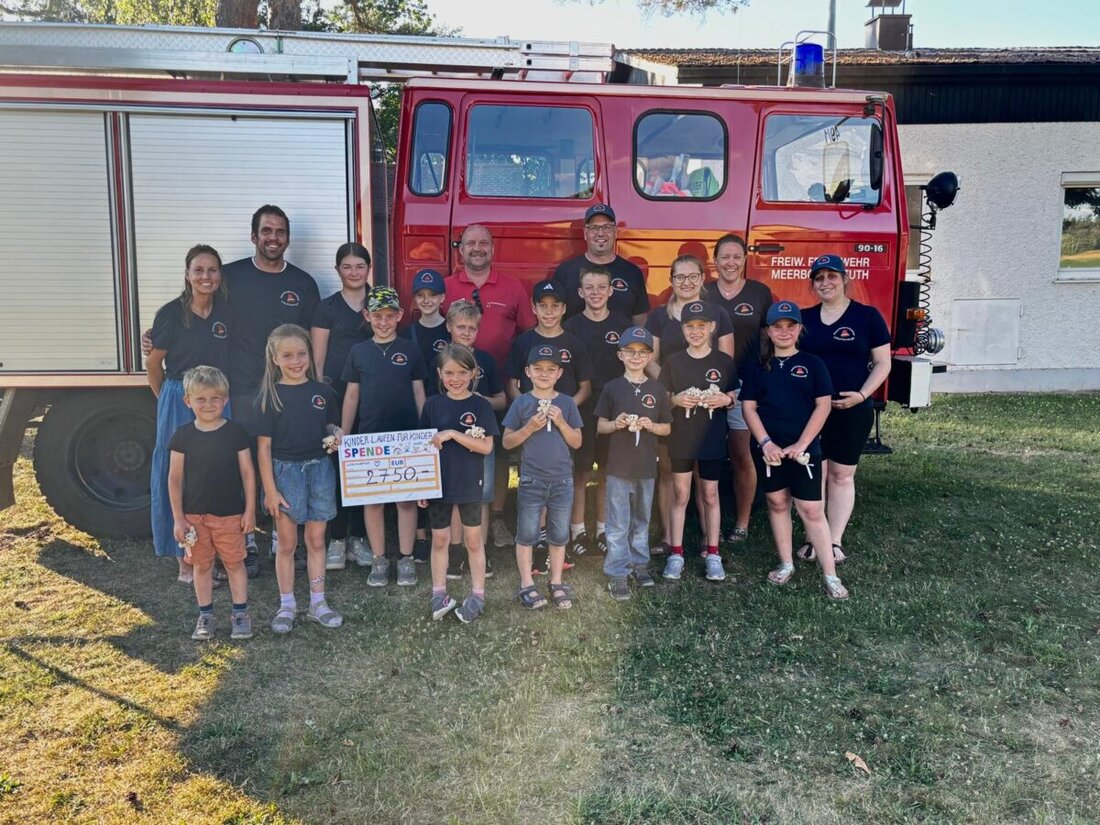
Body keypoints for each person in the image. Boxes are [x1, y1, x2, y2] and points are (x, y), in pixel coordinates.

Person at [143, 206, 321, 576]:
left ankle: (280, 538)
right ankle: (245, 540)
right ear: (254, 236)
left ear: (288, 238)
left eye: (280, 232)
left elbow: (309, 340)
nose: (273, 238)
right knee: (235, 464)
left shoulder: (303, 283)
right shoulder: (232, 277)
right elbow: (188, 315)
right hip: (235, 390)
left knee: (280, 460)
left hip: (283, 390)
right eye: (266, 231)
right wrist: (156, 341)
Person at [740, 301, 848, 600]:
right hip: (769, 450)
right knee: (777, 502)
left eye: (790, 326)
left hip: (804, 449)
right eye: (777, 326)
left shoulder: (813, 364)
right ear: (768, 331)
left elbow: (823, 405)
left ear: (800, 329)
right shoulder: (758, 367)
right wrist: (766, 442)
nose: (784, 332)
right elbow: (748, 408)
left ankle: (830, 574)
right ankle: (786, 563)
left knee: (811, 509)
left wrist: (802, 444)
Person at [442, 224, 536, 548]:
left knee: (494, 455)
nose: (477, 248)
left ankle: (494, 518)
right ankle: (455, 533)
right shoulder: (447, 287)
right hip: (453, 387)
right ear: (461, 248)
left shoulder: (512, 287)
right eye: (470, 243)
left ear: (493, 249)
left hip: (496, 382)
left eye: (484, 243)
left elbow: (528, 334)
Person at [798, 254, 892, 564]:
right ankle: (815, 537)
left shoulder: (867, 316)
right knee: (815, 472)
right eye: (819, 278)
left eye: (832, 276)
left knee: (841, 475)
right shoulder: (804, 319)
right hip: (812, 411)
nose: (825, 283)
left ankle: (834, 540)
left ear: (844, 279)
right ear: (813, 284)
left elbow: (883, 363)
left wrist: (862, 395)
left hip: (852, 408)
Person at [147, 245, 232, 583]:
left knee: (214, 472)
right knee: (175, 473)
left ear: (220, 275)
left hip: (217, 399)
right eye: (198, 270)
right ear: (187, 274)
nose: (205, 277)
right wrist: (168, 400)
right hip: (180, 399)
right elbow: (154, 364)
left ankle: (211, 551)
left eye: (212, 270)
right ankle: (183, 559)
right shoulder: (170, 314)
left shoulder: (226, 312)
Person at [255, 324, 345, 633]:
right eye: (288, 355)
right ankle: (287, 605)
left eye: (301, 354)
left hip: (320, 469)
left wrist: (336, 433)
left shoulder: (323, 392)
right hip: (285, 473)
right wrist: (270, 490)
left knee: (316, 540)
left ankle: (318, 603)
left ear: (310, 354)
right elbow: (263, 448)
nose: (296, 361)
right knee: (287, 543)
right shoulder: (270, 396)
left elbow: (329, 425)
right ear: (275, 359)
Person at [645, 255, 734, 556]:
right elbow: (650, 359)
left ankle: (709, 538)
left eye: (692, 276)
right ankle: (669, 537)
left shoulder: (718, 313)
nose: (686, 282)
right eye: (679, 277)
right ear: (671, 280)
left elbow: (725, 362)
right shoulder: (659, 316)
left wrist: (712, 394)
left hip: (706, 408)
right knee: (669, 472)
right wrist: (673, 387)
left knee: (703, 477)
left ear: (702, 278)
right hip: (672, 401)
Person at [341, 286, 427, 587]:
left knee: (406, 500)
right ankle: (379, 559)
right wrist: (344, 433)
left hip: (406, 438)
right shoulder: (358, 352)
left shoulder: (410, 349)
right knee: (374, 501)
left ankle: (405, 558)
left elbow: (419, 392)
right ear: (367, 316)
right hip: (370, 437)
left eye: (390, 316)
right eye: (377, 316)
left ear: (400, 315)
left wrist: (425, 431)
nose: (384, 322)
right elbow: (352, 395)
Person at [507, 279, 591, 569]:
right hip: (532, 426)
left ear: (564, 308)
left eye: (555, 306)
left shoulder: (574, 343)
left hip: (561, 425)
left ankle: (556, 543)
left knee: (559, 483)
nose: (549, 311)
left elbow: (585, 387)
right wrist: (527, 410)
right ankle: (538, 542)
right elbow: (511, 384)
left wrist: (564, 411)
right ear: (533, 308)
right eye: (543, 306)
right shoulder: (523, 342)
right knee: (534, 484)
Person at [167, 365, 255, 641]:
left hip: (230, 515)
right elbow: (174, 479)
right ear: (188, 401)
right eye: (201, 399)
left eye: (215, 398)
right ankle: (205, 615)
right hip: (194, 518)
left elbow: (248, 473)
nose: (208, 405)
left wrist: (250, 510)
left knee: (234, 564)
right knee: (202, 566)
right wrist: (178, 518)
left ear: (225, 400)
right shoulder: (182, 436)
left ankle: (240, 615)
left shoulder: (236, 432)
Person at [419, 344, 498, 623]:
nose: (456, 379)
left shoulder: (481, 406)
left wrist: (453, 433)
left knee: (473, 540)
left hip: (469, 483)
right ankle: (438, 594)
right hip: (439, 484)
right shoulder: (432, 405)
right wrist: (422, 486)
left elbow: (486, 446)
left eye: (463, 373)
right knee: (439, 539)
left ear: (473, 374)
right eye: (449, 373)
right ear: (440, 374)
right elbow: (423, 448)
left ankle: (478, 595)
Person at [659, 301, 737, 582]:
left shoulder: (723, 362)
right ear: (682, 329)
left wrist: (725, 399)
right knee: (681, 494)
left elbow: (733, 396)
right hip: (682, 437)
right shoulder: (673, 361)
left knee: (710, 494)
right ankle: (676, 553)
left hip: (711, 438)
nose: (695, 331)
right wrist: (676, 400)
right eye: (690, 326)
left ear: (712, 327)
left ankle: (713, 553)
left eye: (701, 326)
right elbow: (663, 398)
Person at [704, 234, 774, 544]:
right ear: (715, 261)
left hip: (743, 385)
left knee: (741, 454)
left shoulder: (759, 292)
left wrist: (764, 377)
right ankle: (710, 525)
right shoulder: (704, 293)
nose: (730, 263)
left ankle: (742, 523)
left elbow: (769, 337)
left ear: (745, 259)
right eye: (724, 257)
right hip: (706, 385)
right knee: (704, 456)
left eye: (736, 257)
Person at [502, 348, 583, 610]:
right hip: (531, 479)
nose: (544, 374)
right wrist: (529, 427)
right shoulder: (521, 403)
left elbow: (577, 442)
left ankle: (556, 581)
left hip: (562, 480)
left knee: (558, 534)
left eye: (550, 369)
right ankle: (527, 583)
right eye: (538, 369)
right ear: (528, 372)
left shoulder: (567, 403)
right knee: (527, 533)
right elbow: (507, 441)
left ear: (559, 373)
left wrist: (561, 422)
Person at [595, 327, 672, 601]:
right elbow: (600, 426)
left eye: (642, 352)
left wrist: (652, 426)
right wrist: (616, 424)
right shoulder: (612, 387)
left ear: (650, 356)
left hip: (646, 468)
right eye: (630, 351)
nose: (636, 357)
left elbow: (667, 428)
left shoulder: (657, 389)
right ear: (621, 355)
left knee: (641, 519)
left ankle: (639, 564)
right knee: (618, 522)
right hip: (618, 467)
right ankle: (617, 571)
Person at [310, 242, 373, 571]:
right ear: (337, 270)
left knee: (364, 469)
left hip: (372, 398)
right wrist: (321, 399)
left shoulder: (379, 301)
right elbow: (318, 360)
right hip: (336, 396)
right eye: (347, 266)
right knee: (336, 468)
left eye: (359, 266)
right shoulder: (327, 308)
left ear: (368, 269)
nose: (353, 272)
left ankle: (359, 538)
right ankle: (336, 539)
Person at [563, 263, 632, 556]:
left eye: (601, 287)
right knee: (579, 471)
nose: (595, 292)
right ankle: (577, 531)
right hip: (582, 407)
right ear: (580, 292)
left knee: (606, 470)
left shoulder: (623, 324)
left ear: (610, 290)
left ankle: (603, 529)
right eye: (589, 287)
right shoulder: (571, 327)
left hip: (613, 408)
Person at [442, 300, 507, 576]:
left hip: (480, 440)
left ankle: (479, 550)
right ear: (449, 327)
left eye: (472, 328)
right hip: (450, 442)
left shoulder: (487, 361)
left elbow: (502, 400)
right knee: (455, 497)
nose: (466, 333)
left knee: (480, 497)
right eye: (461, 327)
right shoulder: (441, 360)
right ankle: (456, 552)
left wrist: (482, 400)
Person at [552, 203, 650, 324]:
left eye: (607, 227)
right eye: (594, 228)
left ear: (615, 232)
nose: (600, 233)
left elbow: (639, 325)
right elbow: (554, 322)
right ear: (585, 233)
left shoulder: (632, 273)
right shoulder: (565, 272)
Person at [404, 268, 452, 378]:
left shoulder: (452, 331)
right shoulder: (406, 334)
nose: (426, 300)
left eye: (432, 295)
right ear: (415, 298)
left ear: (442, 297)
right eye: (420, 295)